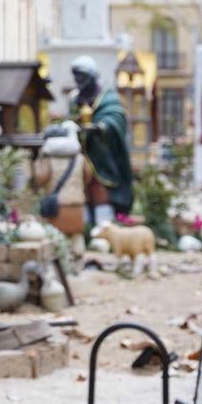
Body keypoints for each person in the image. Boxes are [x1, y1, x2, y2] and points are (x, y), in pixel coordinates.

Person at [69, 56, 134, 226]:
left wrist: (101, 127)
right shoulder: (74, 98)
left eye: (82, 76)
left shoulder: (108, 97)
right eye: (76, 76)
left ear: (91, 76)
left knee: (100, 188)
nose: (78, 80)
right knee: (80, 188)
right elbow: (71, 118)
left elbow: (116, 117)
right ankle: (84, 227)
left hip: (102, 154)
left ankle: (104, 226)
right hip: (80, 153)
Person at [34, 121, 87, 257]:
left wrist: (35, 163)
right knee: (76, 236)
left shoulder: (48, 159)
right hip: (76, 203)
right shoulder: (79, 158)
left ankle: (61, 264)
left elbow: (40, 178)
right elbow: (87, 176)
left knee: (55, 238)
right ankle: (78, 262)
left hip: (57, 204)